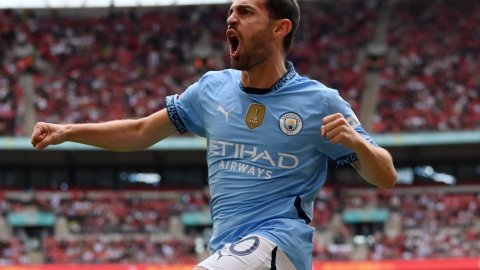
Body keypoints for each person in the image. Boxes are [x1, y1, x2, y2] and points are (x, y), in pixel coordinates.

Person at [31, 0, 397, 269]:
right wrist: (68, 131)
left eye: (246, 12)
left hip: (280, 245)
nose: (232, 19)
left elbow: (386, 176)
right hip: (226, 247)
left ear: (280, 28)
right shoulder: (211, 90)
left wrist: (355, 142)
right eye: (230, 13)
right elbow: (141, 131)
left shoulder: (319, 101)